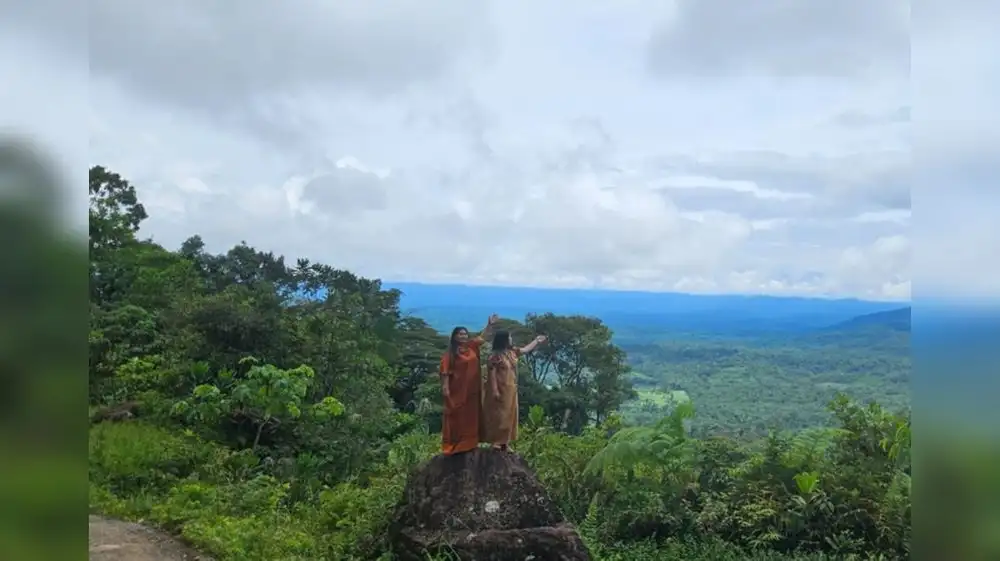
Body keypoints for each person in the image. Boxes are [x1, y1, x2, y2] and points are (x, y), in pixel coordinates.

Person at [439, 314, 499, 455]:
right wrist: (446, 389)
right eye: (460, 334)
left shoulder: (471, 347)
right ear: (454, 337)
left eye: (465, 334)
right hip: (457, 392)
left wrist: (489, 325)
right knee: (456, 418)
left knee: (471, 418)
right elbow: (445, 373)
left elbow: (483, 337)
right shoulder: (449, 355)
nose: (464, 336)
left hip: (472, 391)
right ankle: (455, 445)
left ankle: (470, 443)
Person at [481, 330, 547, 452]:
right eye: (509, 337)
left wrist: (537, 341)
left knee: (510, 415)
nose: (511, 339)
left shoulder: (512, 352)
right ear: (503, 340)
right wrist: (495, 390)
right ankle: (496, 441)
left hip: (510, 388)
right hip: (499, 388)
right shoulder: (495, 356)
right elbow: (492, 374)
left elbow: (526, 350)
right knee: (498, 415)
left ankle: (505, 442)